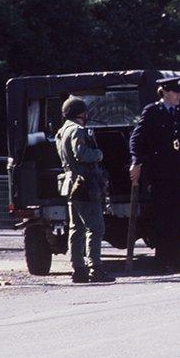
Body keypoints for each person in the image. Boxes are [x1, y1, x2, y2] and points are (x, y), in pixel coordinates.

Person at [129, 77, 180, 274]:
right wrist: (136, 160)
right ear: (165, 92)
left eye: (179, 92)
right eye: (175, 92)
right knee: (162, 218)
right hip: (161, 174)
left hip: (179, 172)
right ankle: (162, 261)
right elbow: (137, 138)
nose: (179, 95)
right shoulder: (153, 111)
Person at [56, 97, 114, 283]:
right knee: (95, 227)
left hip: (71, 184)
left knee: (76, 229)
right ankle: (95, 269)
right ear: (80, 113)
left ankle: (78, 269)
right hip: (85, 184)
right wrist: (99, 154)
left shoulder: (62, 130)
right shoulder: (77, 130)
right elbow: (81, 154)